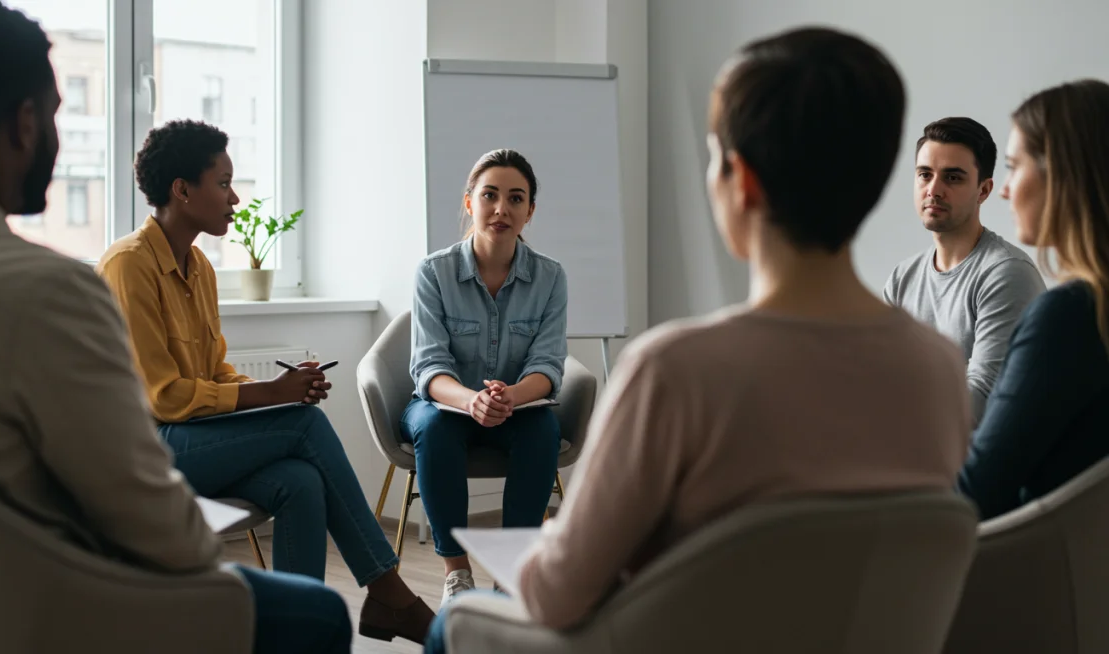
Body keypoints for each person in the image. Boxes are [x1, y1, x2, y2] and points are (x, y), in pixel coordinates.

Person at [425, 26, 972, 649]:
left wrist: (554, 543)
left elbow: (557, 593)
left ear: (740, 182)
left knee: (450, 626)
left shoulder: (674, 369)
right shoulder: (937, 368)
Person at [0, 2, 348, 653]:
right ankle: (389, 595)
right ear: (25, 124)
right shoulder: (50, 288)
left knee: (302, 480)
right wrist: (207, 534)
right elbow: (148, 516)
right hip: (48, 588)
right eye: (57, 112)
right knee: (318, 615)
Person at [96, 118, 433, 643]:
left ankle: (295, 636)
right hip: (144, 453)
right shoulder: (128, 266)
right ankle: (390, 592)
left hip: (192, 446)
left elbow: (215, 373)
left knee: (299, 483)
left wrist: (284, 387)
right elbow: (162, 397)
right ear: (182, 191)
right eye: (224, 183)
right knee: (305, 427)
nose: (234, 198)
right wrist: (272, 397)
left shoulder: (201, 268)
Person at [403, 148, 568, 606]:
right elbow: (428, 368)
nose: (502, 209)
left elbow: (548, 364)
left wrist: (509, 396)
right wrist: (471, 400)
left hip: (517, 406)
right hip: (446, 404)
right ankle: (456, 574)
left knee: (544, 431)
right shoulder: (433, 272)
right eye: (489, 195)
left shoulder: (551, 277)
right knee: (434, 430)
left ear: (529, 211)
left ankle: (510, 573)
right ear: (469, 202)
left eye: (516, 199)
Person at [958, 80, 1109, 519]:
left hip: (1027, 574)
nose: (1002, 190)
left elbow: (977, 492)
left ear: (1062, 174)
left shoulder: (1070, 317)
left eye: (1012, 166)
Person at [884, 117, 1046, 424]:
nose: (934, 189)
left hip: (976, 464)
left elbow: (982, 398)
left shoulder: (1006, 273)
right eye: (924, 175)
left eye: (953, 178)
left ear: (983, 190)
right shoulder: (902, 279)